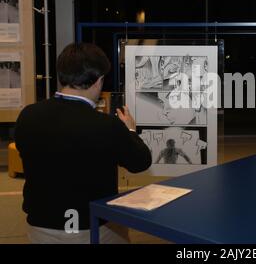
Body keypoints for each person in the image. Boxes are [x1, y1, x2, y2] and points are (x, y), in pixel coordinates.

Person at [14, 43, 152, 244]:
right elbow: (140, 162)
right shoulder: (107, 126)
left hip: (40, 226)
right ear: (98, 81)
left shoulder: (28, 115)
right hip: (94, 228)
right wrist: (130, 130)